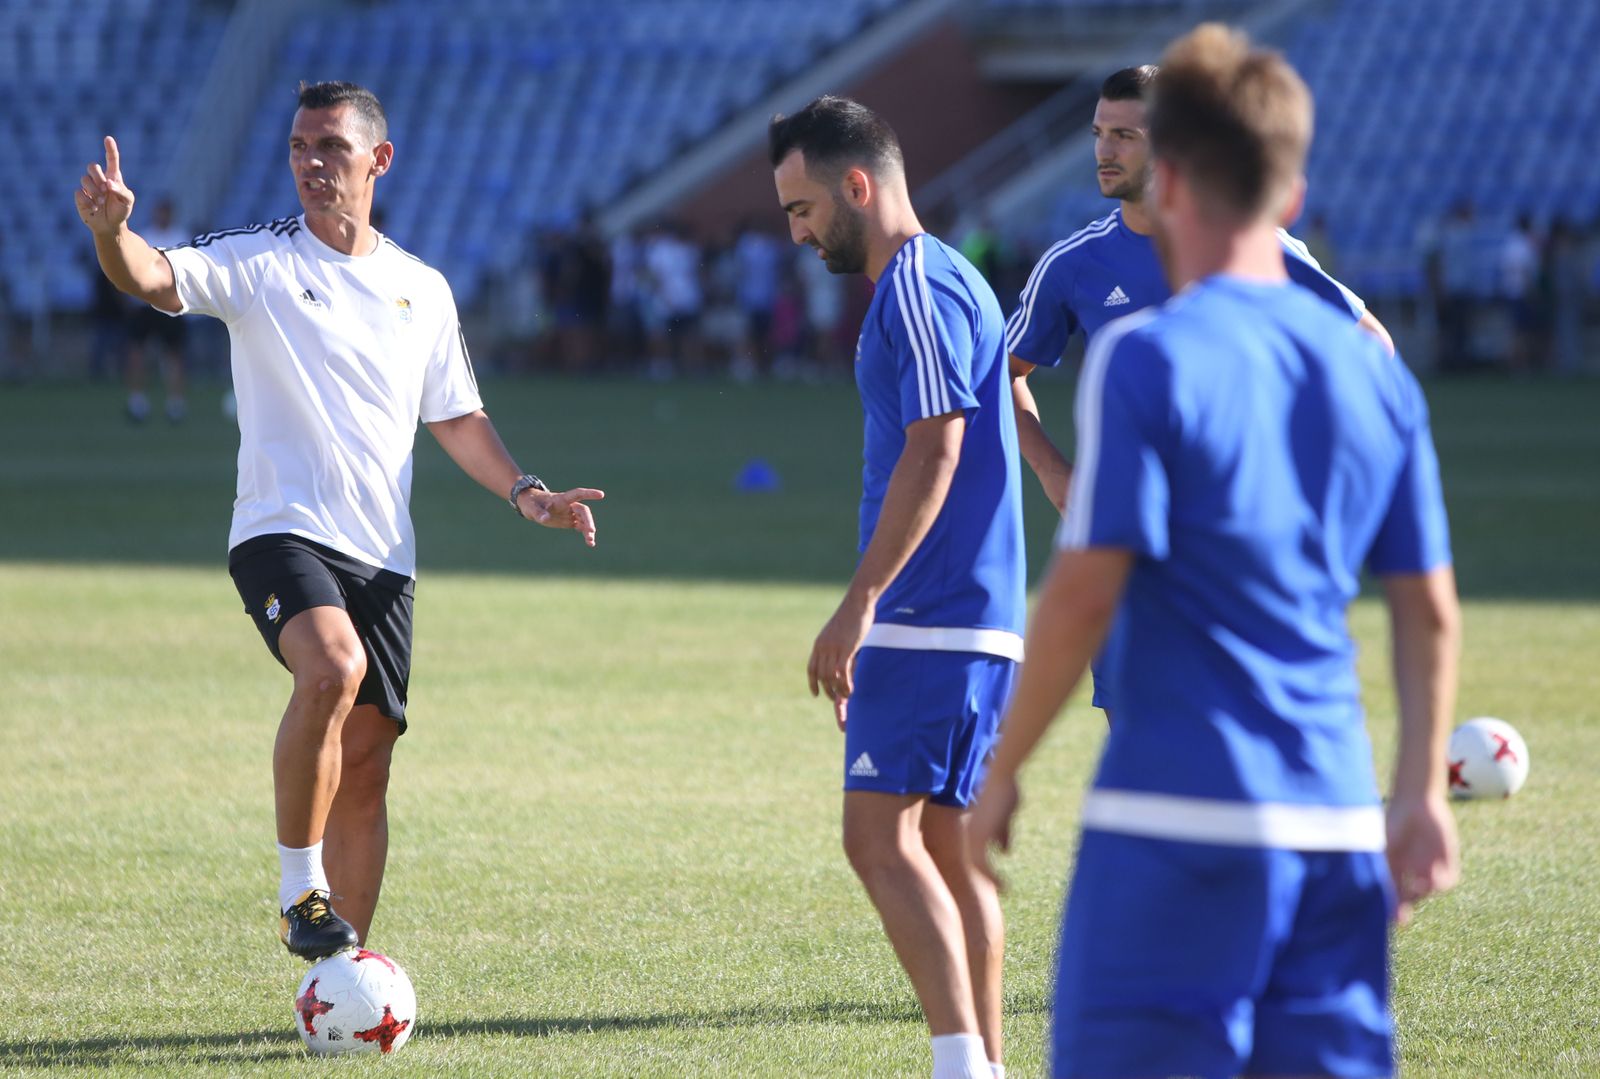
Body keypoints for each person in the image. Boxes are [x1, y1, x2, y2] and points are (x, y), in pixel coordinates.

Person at [968, 25, 1461, 1078]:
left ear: (1175, 178)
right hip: (1333, 818)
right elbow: (1426, 610)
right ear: (1289, 198)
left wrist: (1001, 768)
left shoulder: (1147, 359)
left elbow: (1082, 590)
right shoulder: (1381, 382)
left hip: (1174, 810)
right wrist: (1416, 791)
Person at [75, 80, 605, 961]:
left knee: (367, 771)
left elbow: (458, 417)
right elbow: (153, 275)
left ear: (379, 160)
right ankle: (299, 890)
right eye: (298, 148)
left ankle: (342, 981)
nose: (312, 164)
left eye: (331, 148)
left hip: (383, 558)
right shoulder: (258, 260)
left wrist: (526, 492)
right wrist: (110, 233)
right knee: (331, 665)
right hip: (279, 530)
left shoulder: (421, 288)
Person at [1004, 63, 1394, 721]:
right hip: (1127, 545)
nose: (1104, 150)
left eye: (1125, 135)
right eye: (1100, 132)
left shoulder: (1251, 245)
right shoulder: (1073, 265)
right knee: (1141, 737)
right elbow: (1001, 374)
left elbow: (1370, 345)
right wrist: (1052, 472)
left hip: (1242, 541)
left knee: (1251, 738)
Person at [771, 96, 1024, 1079]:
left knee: (875, 838)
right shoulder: (948, 278)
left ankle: (961, 1063)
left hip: (932, 611)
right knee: (948, 853)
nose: (796, 232)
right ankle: (984, 1063)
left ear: (857, 186)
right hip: (970, 612)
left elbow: (939, 443)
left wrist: (861, 601)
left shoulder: (915, 283)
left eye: (801, 209)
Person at [123, 197, 190, 422]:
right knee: (137, 352)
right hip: (145, 304)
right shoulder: (145, 236)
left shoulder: (181, 237)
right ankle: (137, 400)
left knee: (173, 354)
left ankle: (175, 402)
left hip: (170, 302)